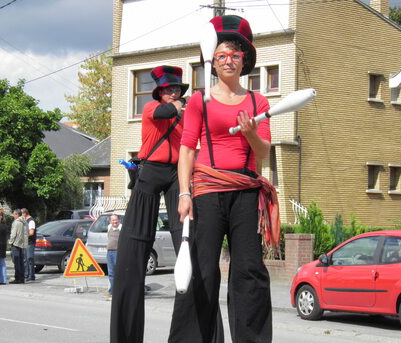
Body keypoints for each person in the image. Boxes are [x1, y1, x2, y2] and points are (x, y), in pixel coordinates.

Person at [169, 15, 279, 343]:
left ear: (245, 60)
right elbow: (187, 151)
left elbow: (263, 153)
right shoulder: (199, 102)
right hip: (207, 192)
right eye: (221, 55)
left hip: (245, 192)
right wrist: (184, 194)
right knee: (202, 270)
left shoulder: (258, 102)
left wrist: (250, 133)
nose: (228, 60)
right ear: (212, 62)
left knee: (249, 271)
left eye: (235, 54)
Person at [111, 66, 188, 343]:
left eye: (177, 89)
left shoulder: (182, 113)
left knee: (185, 234)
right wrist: (181, 106)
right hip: (151, 170)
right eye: (169, 90)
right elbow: (167, 113)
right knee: (137, 237)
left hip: (175, 173)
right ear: (160, 93)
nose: (174, 93)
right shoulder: (151, 109)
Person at [9, 209, 28, 284]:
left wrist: (10, 241)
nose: (13, 216)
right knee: (21, 261)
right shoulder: (24, 221)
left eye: (14, 214)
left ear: (17, 214)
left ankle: (17, 278)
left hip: (16, 243)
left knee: (16, 261)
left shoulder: (16, 222)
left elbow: (14, 234)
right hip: (22, 244)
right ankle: (22, 277)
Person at [106, 214, 121, 296]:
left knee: (118, 272)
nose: (115, 221)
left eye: (116, 220)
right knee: (111, 272)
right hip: (109, 252)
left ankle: (118, 290)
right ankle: (112, 291)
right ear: (110, 221)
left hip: (117, 252)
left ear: (118, 220)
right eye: (113, 220)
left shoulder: (121, 227)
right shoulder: (109, 227)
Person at [22, 208, 36, 281]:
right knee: (25, 259)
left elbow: (31, 233)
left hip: (30, 243)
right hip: (25, 242)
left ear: (25, 213)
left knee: (29, 259)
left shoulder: (31, 221)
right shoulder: (25, 221)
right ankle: (26, 274)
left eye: (22, 214)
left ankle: (31, 275)